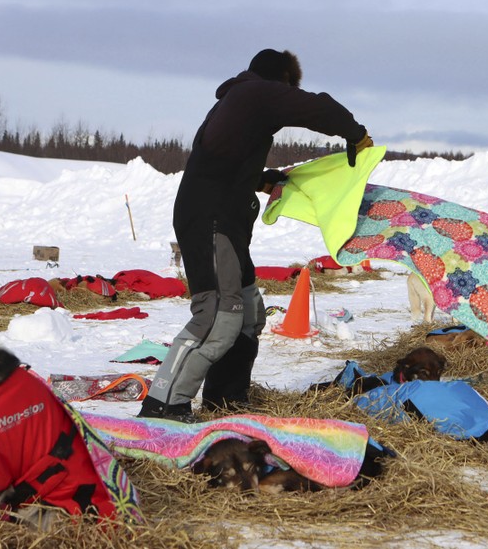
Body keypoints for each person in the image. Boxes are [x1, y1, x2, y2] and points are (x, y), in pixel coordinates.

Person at [138, 49, 373, 422]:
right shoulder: (256, 93)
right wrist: (356, 134)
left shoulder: (241, 103)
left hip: (224, 222)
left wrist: (263, 178)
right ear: (281, 79)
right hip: (209, 220)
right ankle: (164, 405)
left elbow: (226, 158)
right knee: (218, 316)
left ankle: (226, 400)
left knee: (248, 314)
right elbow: (317, 107)